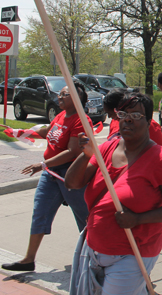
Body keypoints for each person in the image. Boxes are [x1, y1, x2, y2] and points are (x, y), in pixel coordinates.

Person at [65, 92, 162, 295]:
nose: (128, 119)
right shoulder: (108, 147)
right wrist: (85, 154)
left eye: (137, 115)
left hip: (132, 253)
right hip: (94, 248)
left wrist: (138, 219)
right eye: (123, 114)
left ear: (149, 121)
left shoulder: (160, 160)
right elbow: (73, 182)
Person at [1, 82, 92, 272]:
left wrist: (43, 164)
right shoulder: (60, 115)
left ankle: (93, 258)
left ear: (77, 98)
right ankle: (29, 259)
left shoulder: (81, 121)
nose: (59, 97)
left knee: (85, 218)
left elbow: (72, 151)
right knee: (40, 213)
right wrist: (19, 131)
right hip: (50, 174)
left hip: (70, 175)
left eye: (64, 95)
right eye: (59, 94)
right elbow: (48, 131)